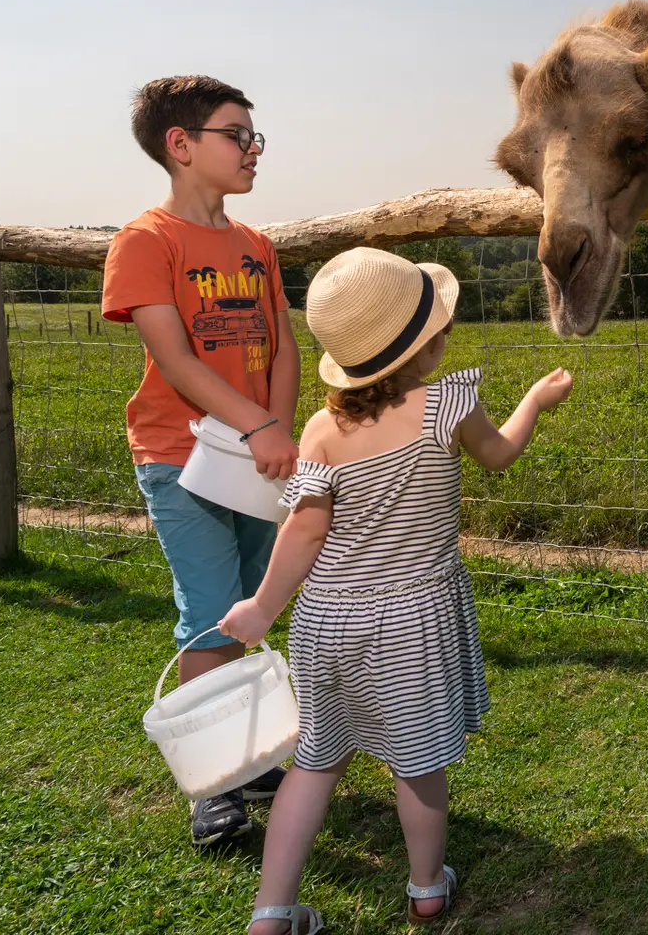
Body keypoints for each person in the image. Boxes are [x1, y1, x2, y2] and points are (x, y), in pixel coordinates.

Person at [220, 246, 573, 934]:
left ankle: (269, 915)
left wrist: (263, 606)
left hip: (326, 621)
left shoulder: (322, 430)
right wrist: (535, 399)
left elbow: (303, 532)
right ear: (427, 345)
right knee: (418, 767)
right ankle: (425, 890)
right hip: (412, 620)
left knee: (315, 764)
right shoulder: (447, 405)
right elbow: (499, 453)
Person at [100, 76, 302, 846]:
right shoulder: (146, 242)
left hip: (258, 449)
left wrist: (276, 427)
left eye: (255, 135)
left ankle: (246, 761)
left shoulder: (256, 246)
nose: (253, 149)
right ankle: (211, 786)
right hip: (181, 457)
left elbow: (281, 343)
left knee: (248, 607)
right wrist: (259, 429)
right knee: (212, 614)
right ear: (180, 147)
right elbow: (177, 360)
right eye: (236, 134)